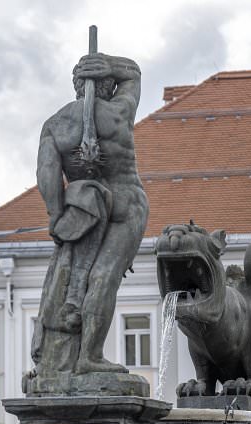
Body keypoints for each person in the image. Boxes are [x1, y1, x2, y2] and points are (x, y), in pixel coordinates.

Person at [30, 49, 148, 377]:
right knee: (104, 277)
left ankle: (67, 356)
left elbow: (47, 175)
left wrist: (56, 216)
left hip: (85, 209)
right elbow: (134, 73)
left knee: (76, 279)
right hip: (126, 203)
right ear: (107, 85)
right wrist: (111, 64)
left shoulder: (54, 125)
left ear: (77, 86)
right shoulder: (119, 112)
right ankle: (89, 357)